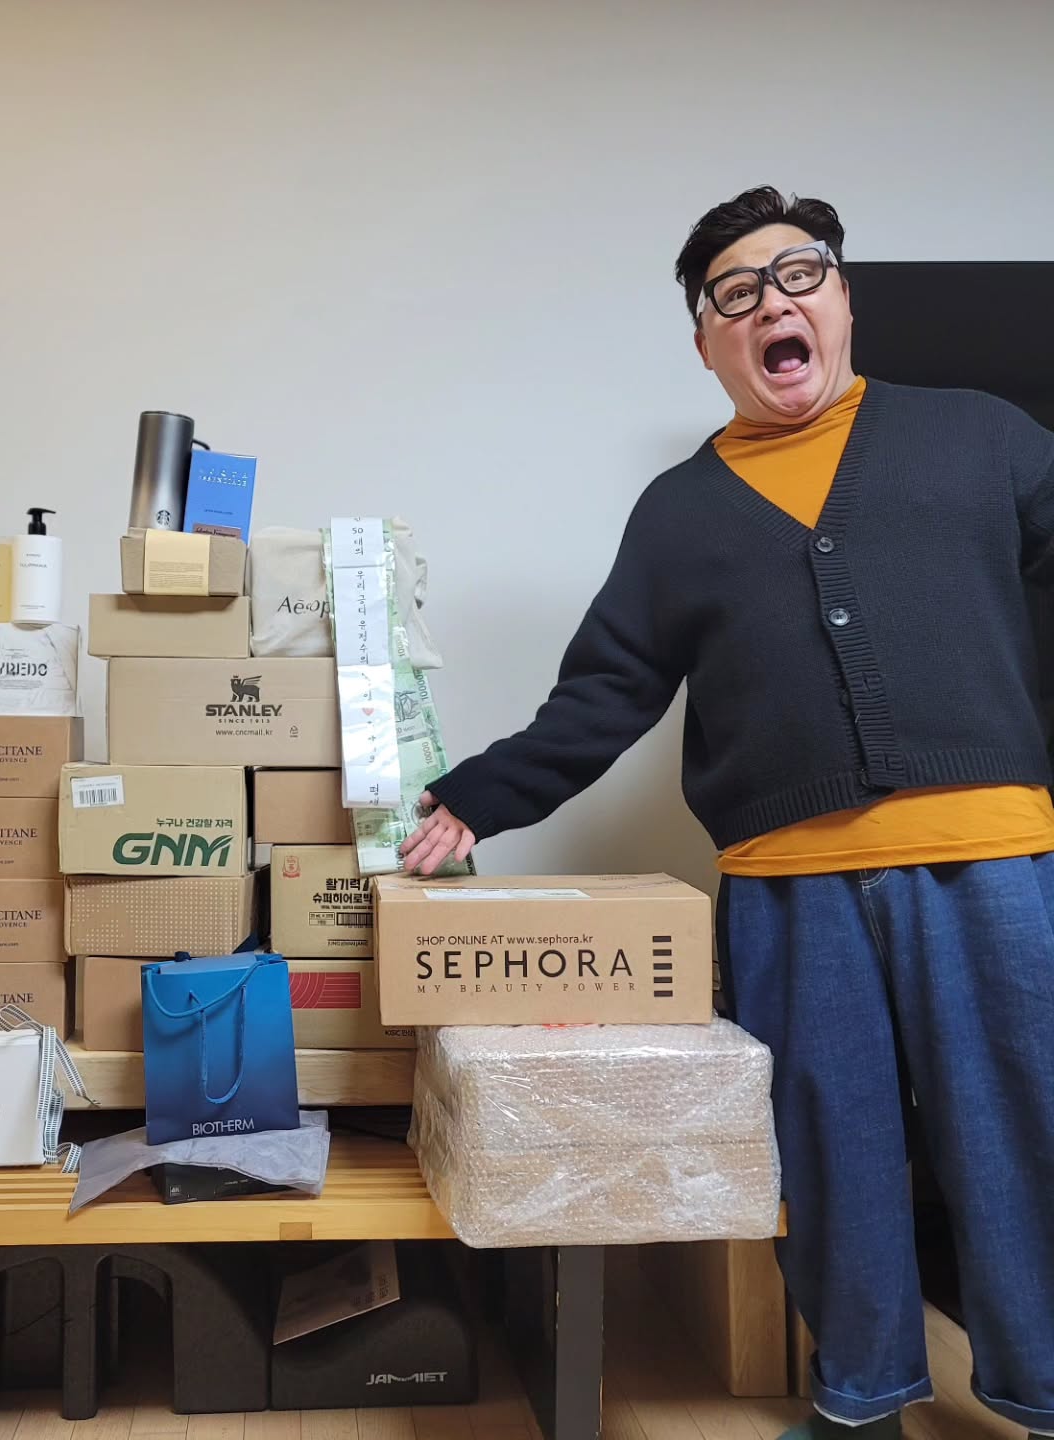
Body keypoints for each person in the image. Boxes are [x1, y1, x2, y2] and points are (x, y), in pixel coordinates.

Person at [400, 185, 1054, 1440]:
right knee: (829, 1153)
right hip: (788, 887)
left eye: (798, 275)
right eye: (734, 296)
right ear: (707, 343)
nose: (771, 305)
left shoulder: (981, 436)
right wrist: (480, 796)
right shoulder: (679, 511)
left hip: (990, 864)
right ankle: (861, 1401)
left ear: (843, 298)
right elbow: (605, 691)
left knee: (1024, 1139)